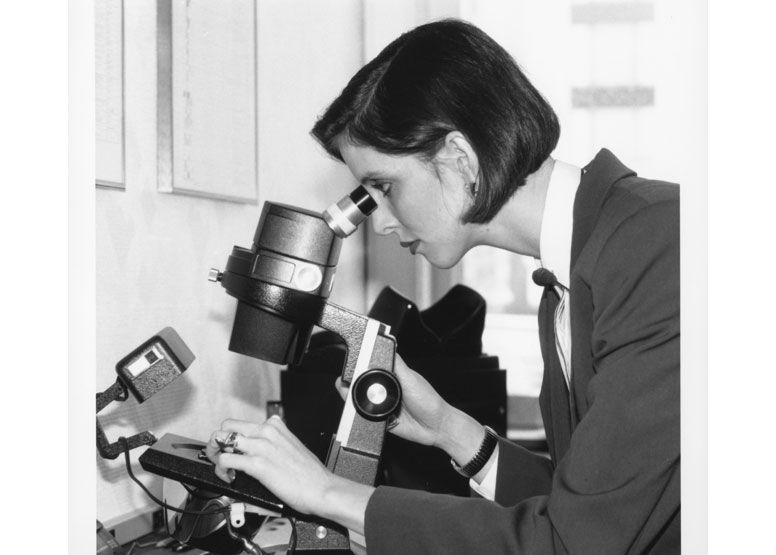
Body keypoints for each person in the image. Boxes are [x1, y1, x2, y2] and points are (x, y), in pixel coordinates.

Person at [206, 19, 680, 554]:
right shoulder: (570, 281)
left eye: (384, 187)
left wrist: (327, 493)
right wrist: (451, 431)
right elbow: (598, 509)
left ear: (460, 159)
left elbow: (573, 544)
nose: (380, 222)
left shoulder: (659, 245)